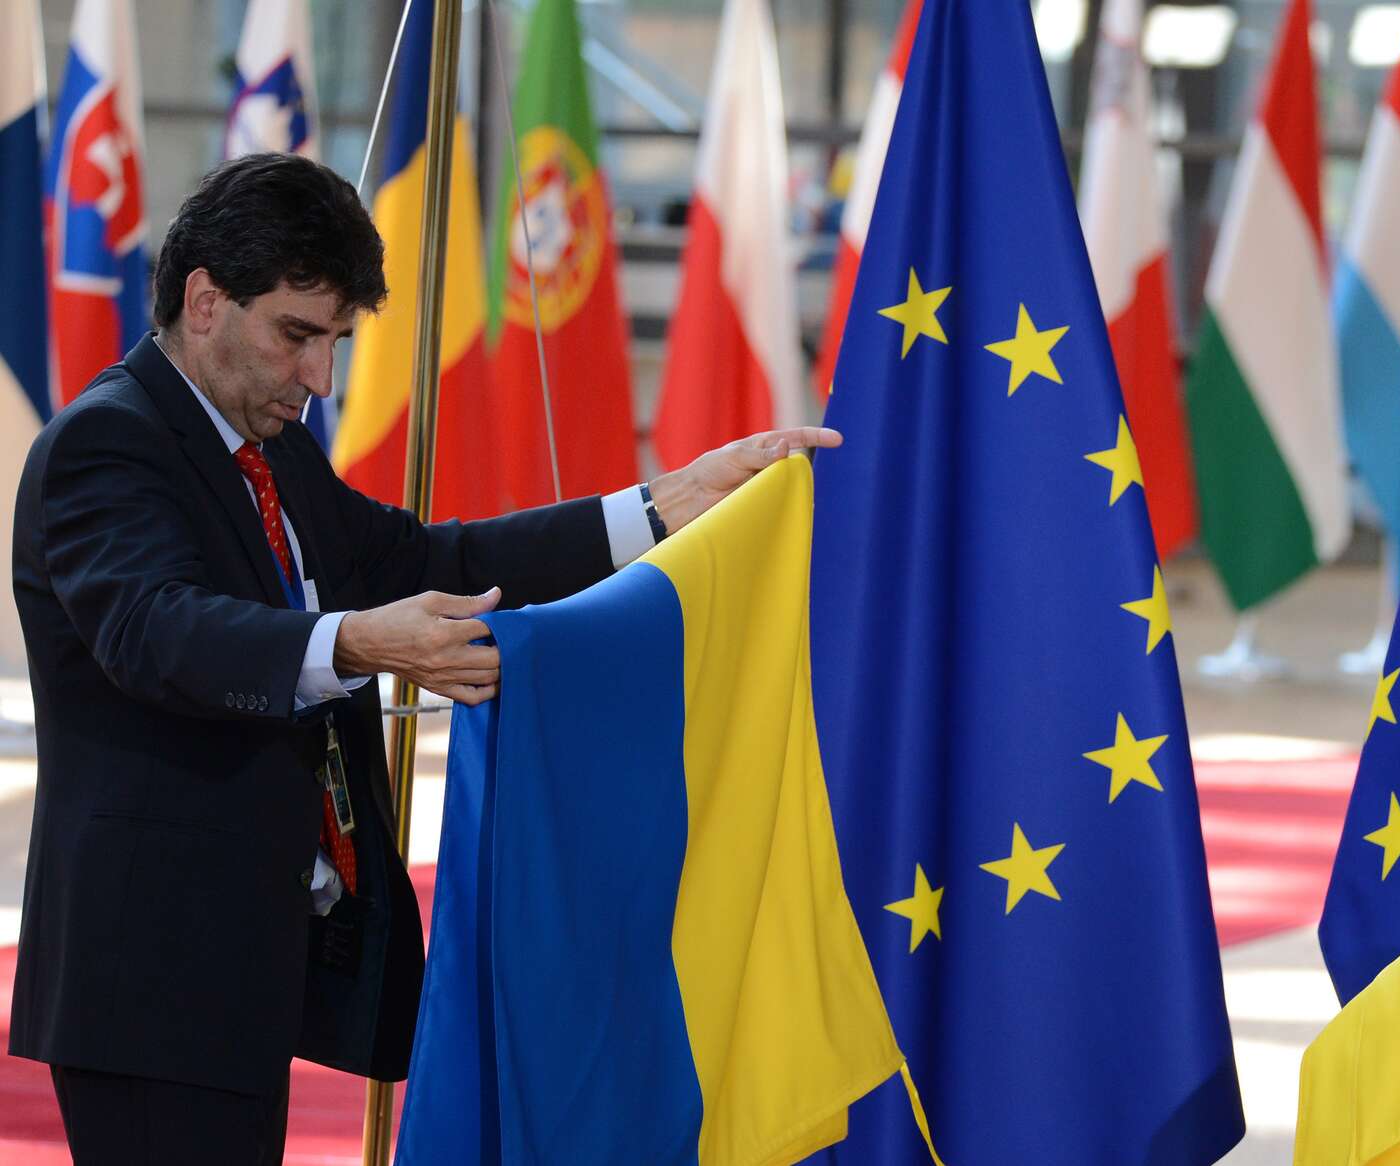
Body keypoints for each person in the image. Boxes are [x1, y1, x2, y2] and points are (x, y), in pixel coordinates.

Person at [7, 152, 839, 1165]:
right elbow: (154, 630)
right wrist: (360, 638)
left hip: (238, 960)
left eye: (337, 343)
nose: (319, 379)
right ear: (205, 299)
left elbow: (428, 560)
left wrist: (664, 504)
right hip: (150, 971)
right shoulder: (105, 442)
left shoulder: (269, 448)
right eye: (297, 336)